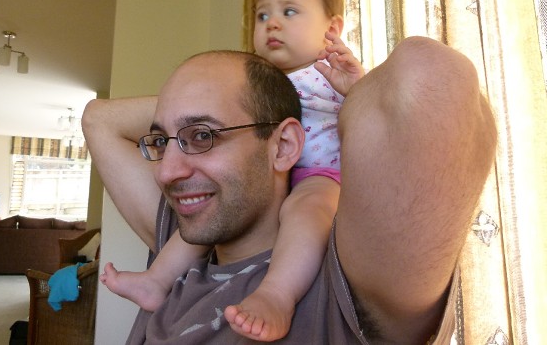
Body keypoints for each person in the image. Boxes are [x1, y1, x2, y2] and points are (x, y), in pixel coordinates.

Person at [83, 43, 497, 343]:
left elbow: (430, 76)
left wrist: (319, 98)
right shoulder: (180, 247)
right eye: (162, 140)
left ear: (283, 146)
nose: (167, 172)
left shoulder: (349, 284)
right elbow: (98, 118)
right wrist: (208, 99)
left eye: (203, 135)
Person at [95, 0, 364, 342]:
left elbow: (379, 122)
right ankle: (157, 279)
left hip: (320, 174)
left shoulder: (332, 74)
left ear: (332, 28)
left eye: (289, 12)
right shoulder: (261, 81)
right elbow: (98, 117)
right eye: (262, 15)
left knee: (307, 211)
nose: (272, 23)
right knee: (201, 220)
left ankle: (277, 294)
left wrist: (358, 88)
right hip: (269, 179)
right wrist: (210, 91)